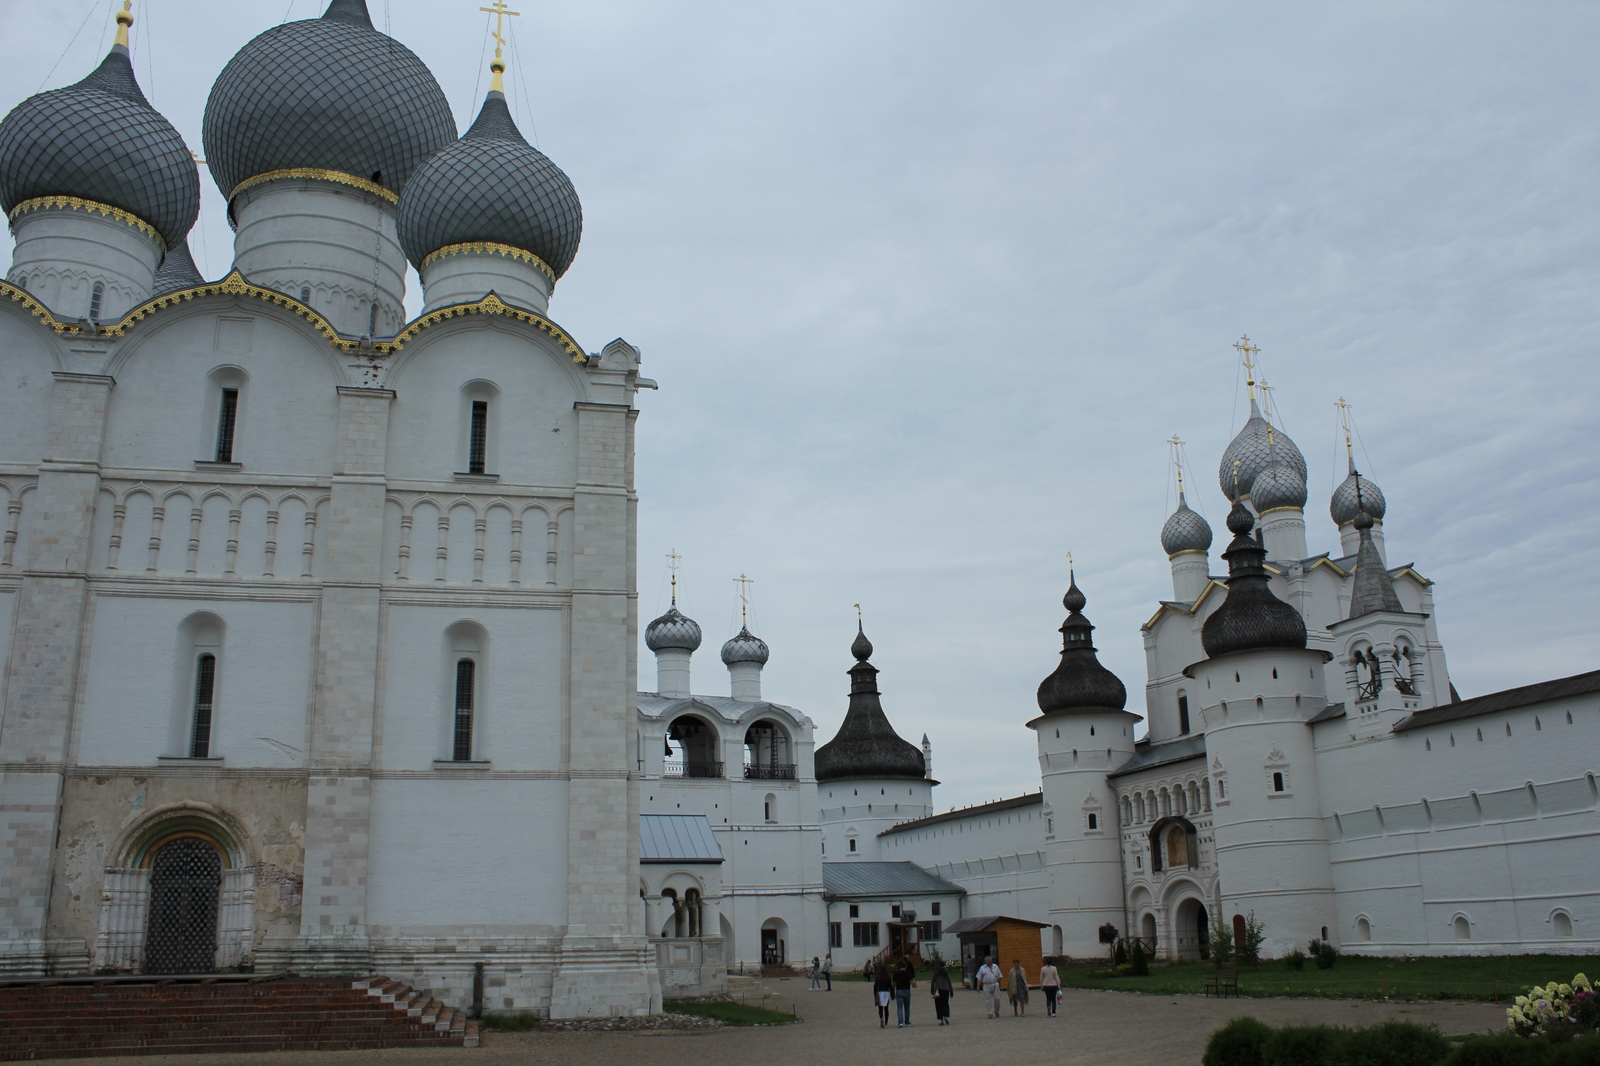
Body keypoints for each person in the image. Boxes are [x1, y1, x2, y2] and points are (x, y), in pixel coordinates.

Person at [894, 956, 917, 1027]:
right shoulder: (908, 973)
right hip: (906, 990)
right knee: (907, 1007)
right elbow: (912, 983)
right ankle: (907, 1021)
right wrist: (915, 985)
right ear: (906, 966)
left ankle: (900, 1022)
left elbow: (894, 984)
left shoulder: (896, 974)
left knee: (899, 1007)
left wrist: (893, 990)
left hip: (899, 990)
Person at [873, 962, 894, 1028]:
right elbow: (890, 986)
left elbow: (875, 986)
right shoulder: (888, 978)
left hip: (880, 992)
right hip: (886, 992)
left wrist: (875, 994)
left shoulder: (878, 978)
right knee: (886, 1008)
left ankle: (881, 1018)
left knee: (880, 1008)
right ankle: (886, 1023)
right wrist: (892, 994)